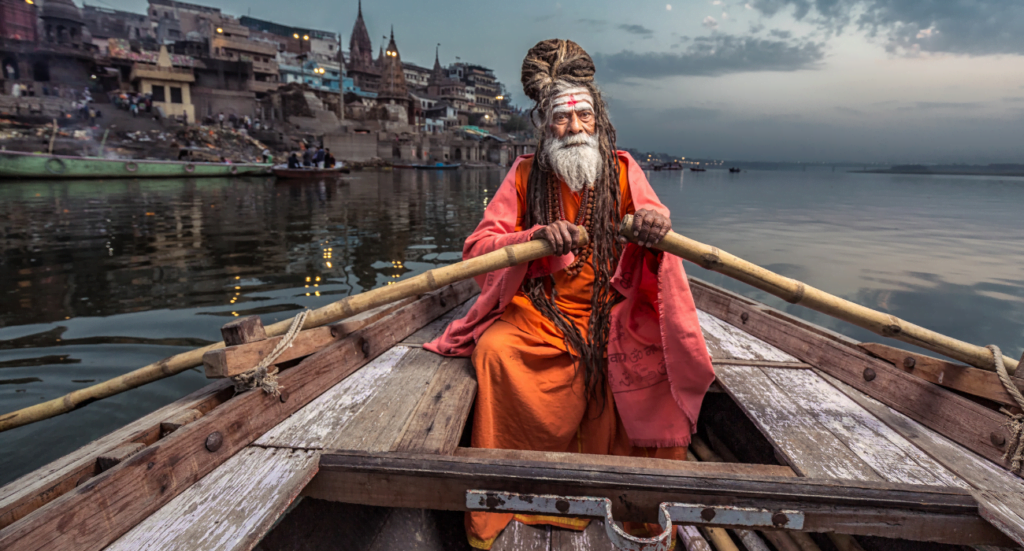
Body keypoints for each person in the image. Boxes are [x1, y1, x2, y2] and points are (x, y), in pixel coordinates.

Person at [424, 39, 715, 550]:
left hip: (615, 309)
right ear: (543, 123)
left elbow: (658, 220)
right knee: (495, 352)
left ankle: (635, 504)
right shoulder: (522, 175)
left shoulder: (624, 170)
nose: (574, 128)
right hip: (541, 312)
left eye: (583, 116)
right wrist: (531, 239)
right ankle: (519, 499)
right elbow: (478, 250)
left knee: (656, 360)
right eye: (561, 118)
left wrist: (653, 222)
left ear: (598, 118)